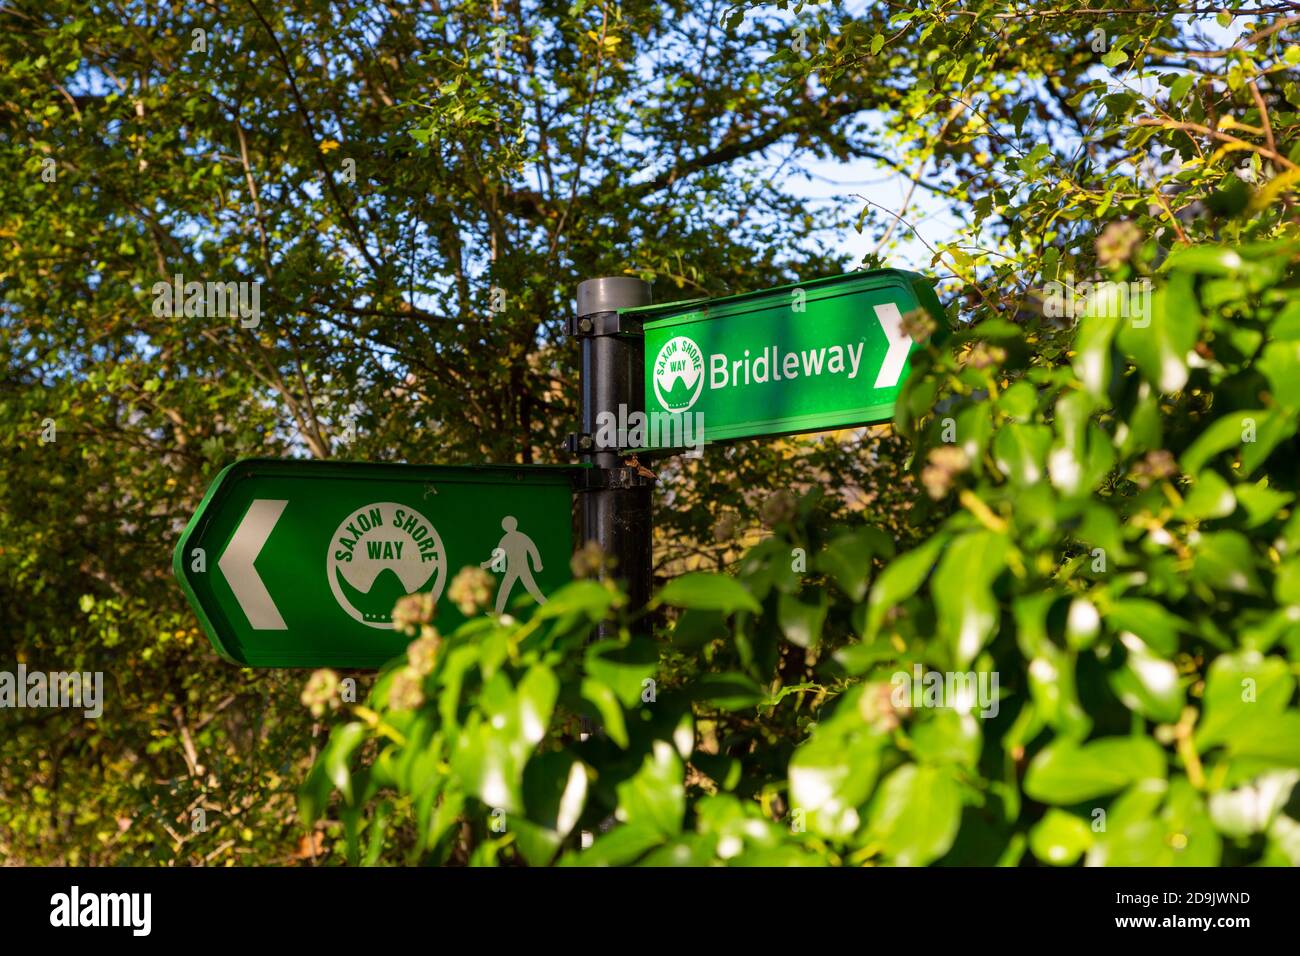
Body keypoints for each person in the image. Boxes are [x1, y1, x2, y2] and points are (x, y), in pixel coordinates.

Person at [481, 515, 547, 614]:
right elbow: (498, 556)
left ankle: (549, 606)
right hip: (512, 569)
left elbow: (532, 549)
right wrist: (486, 564)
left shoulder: (518, 537)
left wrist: (537, 564)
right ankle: (497, 614)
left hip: (522, 567)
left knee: (532, 589)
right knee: (504, 590)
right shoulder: (506, 539)